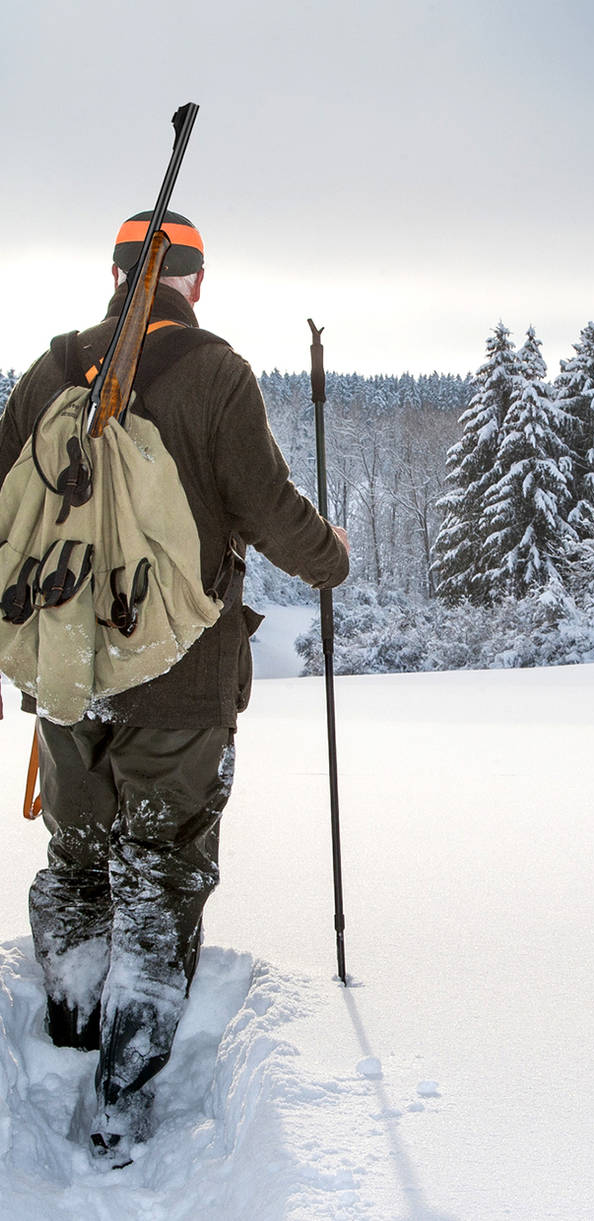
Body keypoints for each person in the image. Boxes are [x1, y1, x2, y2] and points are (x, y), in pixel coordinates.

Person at [0, 210, 349, 1168]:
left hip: (69, 677)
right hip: (179, 679)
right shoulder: (216, 372)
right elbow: (268, 509)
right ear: (195, 283)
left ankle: (66, 1034)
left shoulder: (48, 371)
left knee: (75, 857)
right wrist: (332, 558)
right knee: (161, 870)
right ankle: (119, 1097)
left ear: (115, 275)